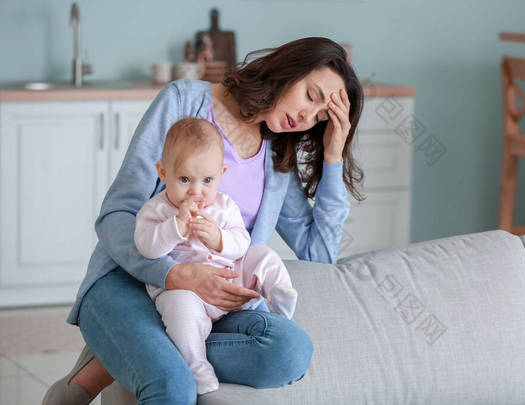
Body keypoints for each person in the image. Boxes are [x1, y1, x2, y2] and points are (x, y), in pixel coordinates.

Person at [43, 36, 364, 405]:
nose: (308, 117)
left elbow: (319, 255)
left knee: (289, 352)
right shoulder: (184, 101)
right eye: (311, 96)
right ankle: (131, 361)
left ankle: (126, 357)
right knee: (174, 387)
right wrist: (173, 275)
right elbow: (117, 213)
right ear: (289, 70)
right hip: (129, 280)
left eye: (322, 116)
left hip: (210, 305)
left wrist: (333, 155)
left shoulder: (277, 155)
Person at [136, 117, 298, 395]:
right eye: (184, 179)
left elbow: (241, 243)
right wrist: (176, 227)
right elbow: (147, 247)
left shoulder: (224, 206)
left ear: (221, 175)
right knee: (179, 309)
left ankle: (279, 295)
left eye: (207, 180)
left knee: (262, 255)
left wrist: (219, 239)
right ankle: (196, 364)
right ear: (163, 174)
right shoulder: (157, 210)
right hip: (187, 293)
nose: (196, 191)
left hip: (228, 278)